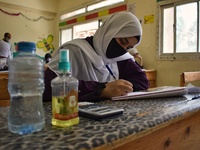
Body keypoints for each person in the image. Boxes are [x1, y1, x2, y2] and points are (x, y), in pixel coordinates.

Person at [43, 12, 149, 102]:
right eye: (123, 41)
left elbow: (142, 80)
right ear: (110, 31)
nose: (122, 50)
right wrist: (101, 90)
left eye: (128, 48)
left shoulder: (120, 58)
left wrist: (122, 88)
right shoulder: (74, 50)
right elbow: (48, 85)